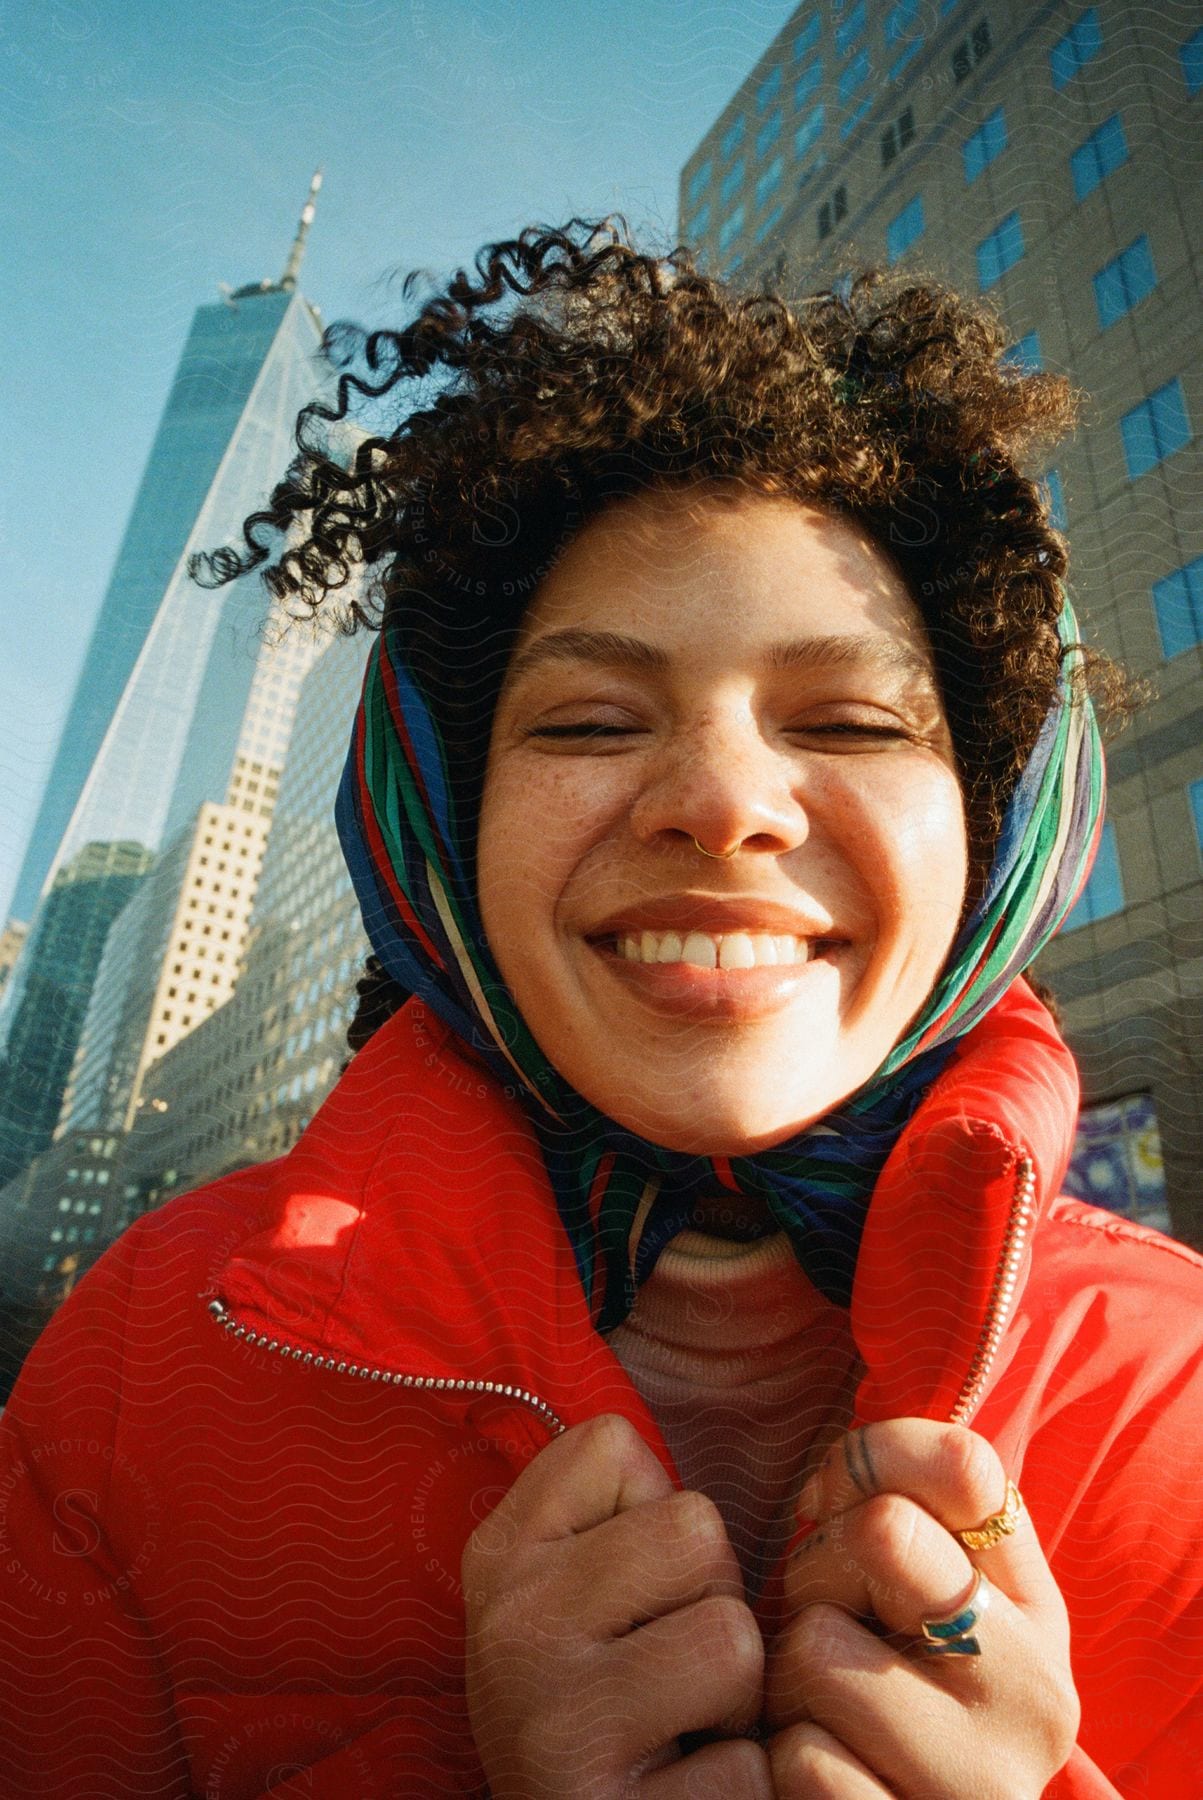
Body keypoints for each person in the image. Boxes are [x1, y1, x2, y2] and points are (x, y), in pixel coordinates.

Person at [1, 219, 1201, 1799]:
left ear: (999, 831)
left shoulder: (1184, 1382)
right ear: (440, 825)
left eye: (845, 717)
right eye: (586, 719)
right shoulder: (135, 1375)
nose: (720, 805)